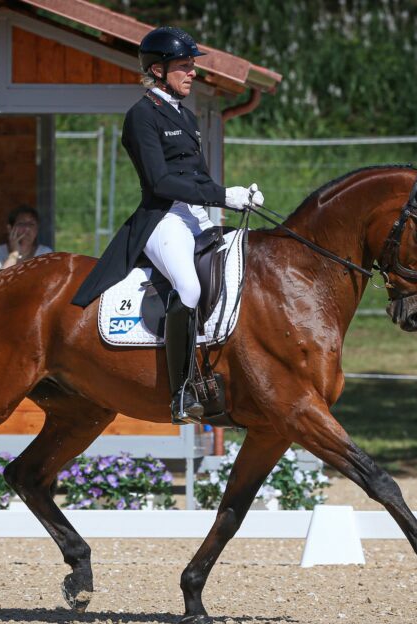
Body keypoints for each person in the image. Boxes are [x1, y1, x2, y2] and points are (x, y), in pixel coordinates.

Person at [71, 26, 264, 424]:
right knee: (189, 286)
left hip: (196, 216)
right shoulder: (141, 116)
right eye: (184, 66)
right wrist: (222, 195)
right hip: (162, 218)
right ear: (158, 70)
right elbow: (159, 181)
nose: (192, 73)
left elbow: (199, 179)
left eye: (192, 66)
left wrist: (239, 195)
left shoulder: (187, 117)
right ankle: (181, 393)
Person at [0, 204, 53, 271]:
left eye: (31, 224)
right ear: (10, 229)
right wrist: (14, 253)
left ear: (37, 229)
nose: (27, 229)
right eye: (21, 223)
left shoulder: (44, 253)